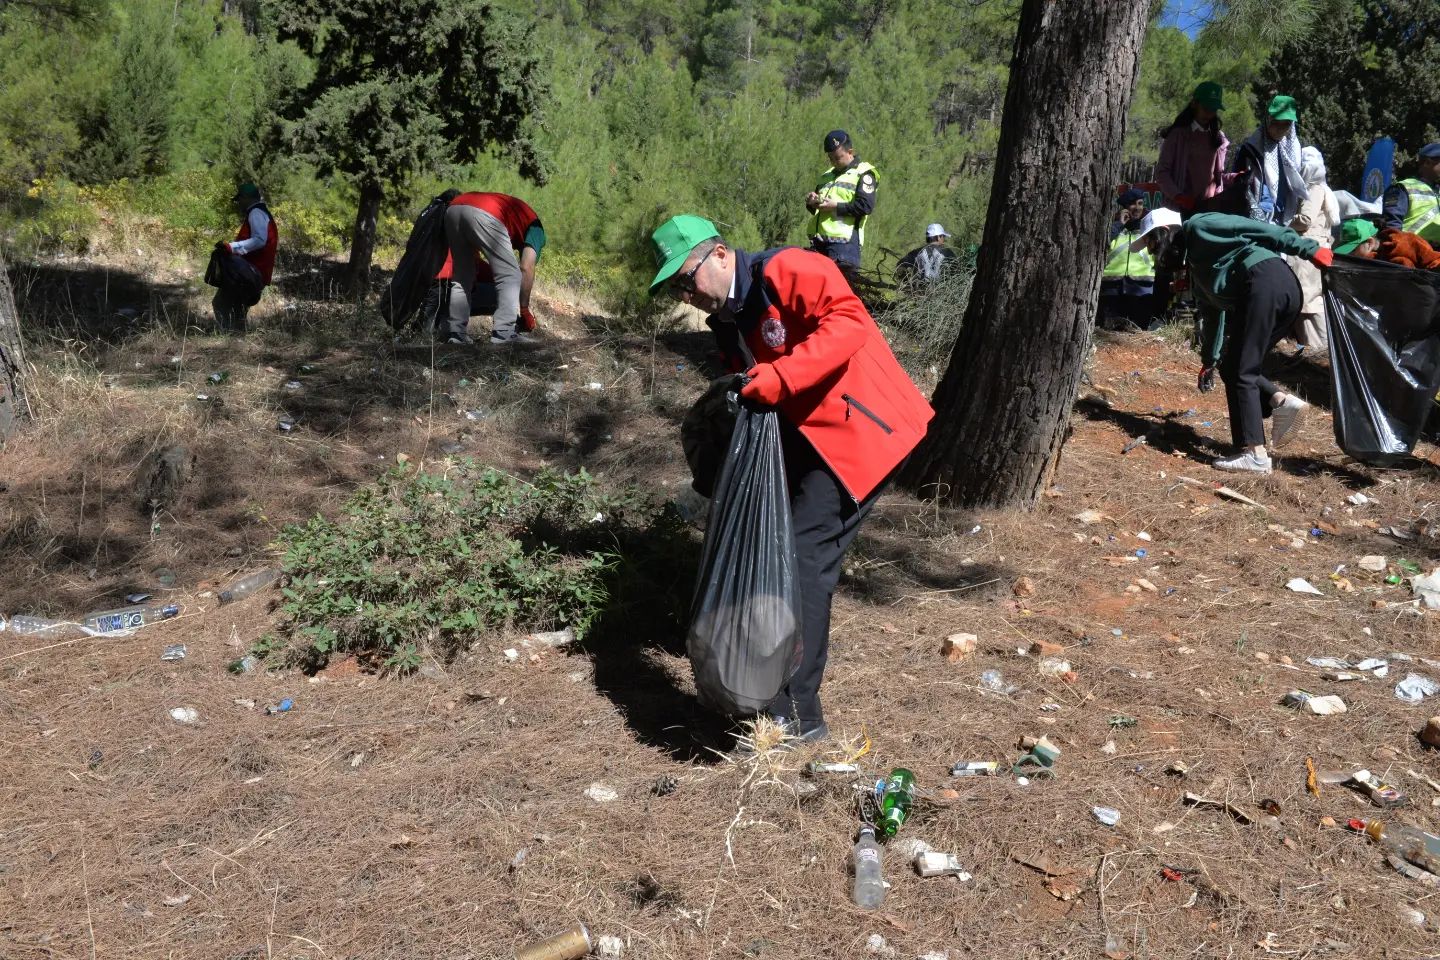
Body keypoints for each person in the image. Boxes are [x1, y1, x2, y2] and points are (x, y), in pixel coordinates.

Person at [648, 214, 933, 746]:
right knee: (772, 549)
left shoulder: (786, 269)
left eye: (687, 278)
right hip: (809, 438)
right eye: (676, 288)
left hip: (862, 434)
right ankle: (768, 690)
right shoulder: (729, 320)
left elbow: (849, 323)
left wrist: (780, 377)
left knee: (801, 559)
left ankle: (799, 714)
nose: (687, 294)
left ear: (720, 254)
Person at [1132, 209, 1330, 475]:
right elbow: (1213, 317)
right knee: (1234, 366)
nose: (1153, 252)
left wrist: (1308, 249)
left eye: (1152, 244)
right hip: (1269, 293)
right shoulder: (1198, 271)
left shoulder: (1200, 225)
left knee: (1241, 371)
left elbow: (1261, 230)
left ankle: (1254, 454)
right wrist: (1209, 361)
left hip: (1267, 283)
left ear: (1165, 232)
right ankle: (1282, 402)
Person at [442, 191, 544, 344]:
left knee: (463, 276)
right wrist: (524, 310)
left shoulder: (517, 218)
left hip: (453, 209)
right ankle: (504, 332)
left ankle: (456, 334)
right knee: (510, 275)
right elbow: (526, 267)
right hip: (484, 212)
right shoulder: (536, 228)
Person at [1286, 146, 1340, 352]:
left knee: (1307, 301)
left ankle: (1317, 350)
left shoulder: (1314, 188)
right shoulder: (1317, 188)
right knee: (1306, 301)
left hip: (1308, 254)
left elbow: (1305, 220)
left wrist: (1281, 222)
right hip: (1310, 252)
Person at [806, 130, 878, 279]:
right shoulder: (826, 176)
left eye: (838, 158)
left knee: (842, 296)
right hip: (819, 244)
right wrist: (812, 202)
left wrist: (836, 207)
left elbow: (865, 206)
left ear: (850, 152)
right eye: (831, 159)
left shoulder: (864, 173)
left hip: (844, 247)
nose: (834, 162)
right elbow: (818, 209)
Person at [1156, 81, 1230, 214]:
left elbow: (1218, 176)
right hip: (1179, 208)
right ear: (1194, 104)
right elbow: (1162, 173)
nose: (1209, 114)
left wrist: (1234, 177)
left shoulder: (1218, 138)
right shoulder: (1178, 135)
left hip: (1209, 209)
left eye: (1213, 110)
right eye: (1206, 108)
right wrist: (1178, 196)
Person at [214, 182, 278, 332]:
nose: (238, 203)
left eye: (240, 199)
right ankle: (236, 338)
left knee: (221, 304)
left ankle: (231, 339)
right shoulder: (260, 212)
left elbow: (259, 240)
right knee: (237, 309)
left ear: (247, 198)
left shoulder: (256, 213)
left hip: (251, 273)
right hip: (253, 272)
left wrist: (231, 247)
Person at [1233, 95, 1307, 225]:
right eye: (1276, 122)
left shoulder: (1293, 147)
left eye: (1286, 124)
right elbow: (1239, 184)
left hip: (1285, 213)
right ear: (1267, 119)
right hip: (1258, 215)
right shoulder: (1251, 148)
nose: (1280, 128)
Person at [1098, 189, 1159, 331]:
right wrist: (1119, 224)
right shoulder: (1113, 227)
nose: (1137, 208)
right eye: (1133, 204)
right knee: (1108, 330)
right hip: (1111, 287)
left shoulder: (1148, 229)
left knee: (1139, 331)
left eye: (1140, 203)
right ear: (1124, 207)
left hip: (1142, 287)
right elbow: (1101, 243)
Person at [1381, 142, 1440, 244]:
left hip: (1434, 256)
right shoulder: (1402, 188)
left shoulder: (1437, 191)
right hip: (1411, 253)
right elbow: (1392, 226)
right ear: (1427, 162)